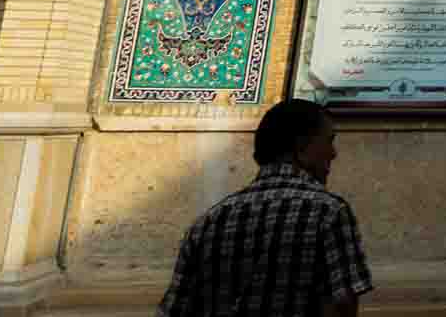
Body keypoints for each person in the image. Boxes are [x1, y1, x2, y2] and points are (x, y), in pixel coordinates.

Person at [159, 98, 373, 317]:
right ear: (301, 145)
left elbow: (175, 309)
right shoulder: (329, 213)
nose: (333, 153)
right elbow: (341, 305)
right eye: (328, 141)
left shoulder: (208, 222)